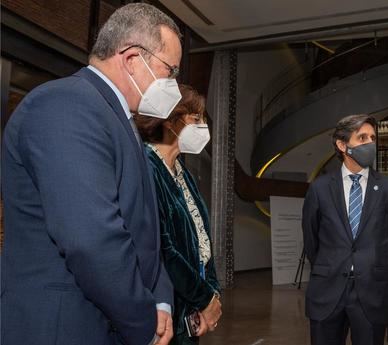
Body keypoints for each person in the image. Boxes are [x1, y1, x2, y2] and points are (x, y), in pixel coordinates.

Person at [1, 3, 181, 344]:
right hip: (66, 326)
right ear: (131, 59)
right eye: (170, 70)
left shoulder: (119, 118)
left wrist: (161, 299)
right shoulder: (66, 105)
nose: (172, 84)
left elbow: (145, 228)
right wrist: (144, 320)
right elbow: (93, 241)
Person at [302, 114, 388, 345]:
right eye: (362, 138)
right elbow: (311, 240)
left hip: (372, 292)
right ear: (342, 145)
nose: (370, 143)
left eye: (372, 137)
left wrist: (373, 267)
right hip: (327, 290)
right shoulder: (319, 189)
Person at [134, 84, 222, 344]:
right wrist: (205, 298)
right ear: (170, 121)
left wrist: (213, 295)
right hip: (166, 312)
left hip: (191, 312)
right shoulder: (148, 168)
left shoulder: (182, 172)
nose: (202, 126)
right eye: (196, 119)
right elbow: (164, 249)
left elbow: (202, 241)